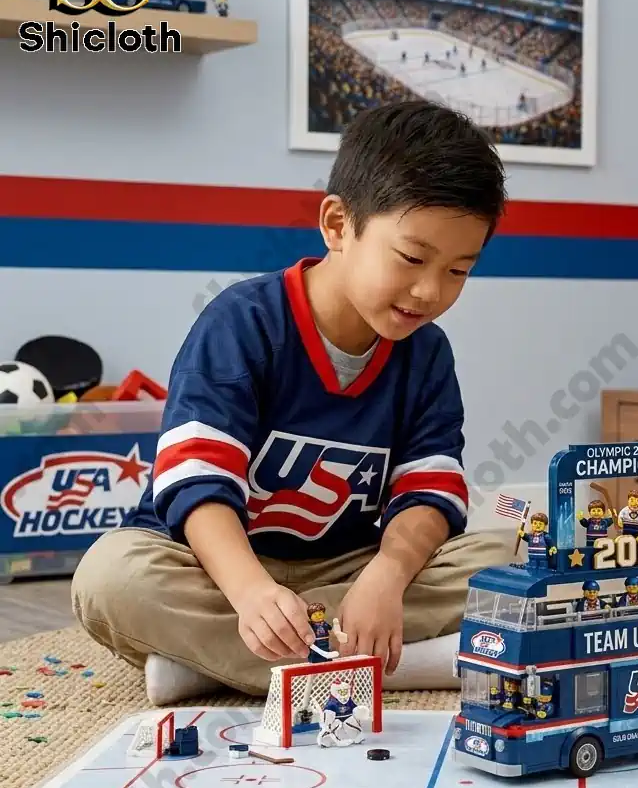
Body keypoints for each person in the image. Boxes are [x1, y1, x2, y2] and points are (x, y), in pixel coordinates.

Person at [71, 101, 514, 705]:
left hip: (349, 567)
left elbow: (428, 491)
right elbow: (196, 481)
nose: (430, 291)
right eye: (411, 258)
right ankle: (401, 665)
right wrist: (251, 594)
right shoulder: (243, 322)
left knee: (515, 556)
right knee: (110, 578)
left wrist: (385, 578)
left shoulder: (426, 353)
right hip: (218, 572)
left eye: (459, 270)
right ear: (337, 225)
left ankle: (214, 667)